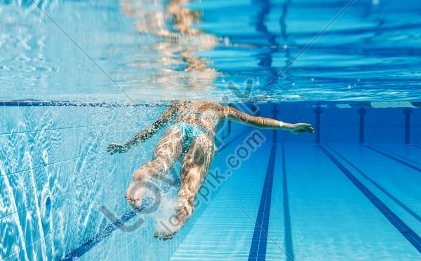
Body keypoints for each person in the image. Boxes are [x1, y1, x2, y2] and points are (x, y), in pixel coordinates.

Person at [108, 100, 314, 238]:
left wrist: (127, 145)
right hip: (203, 137)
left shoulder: (180, 104)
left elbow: (151, 129)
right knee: (187, 192)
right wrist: (290, 126)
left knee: (159, 165)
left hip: (178, 129)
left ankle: (141, 179)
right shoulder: (220, 107)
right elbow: (258, 122)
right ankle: (173, 223)